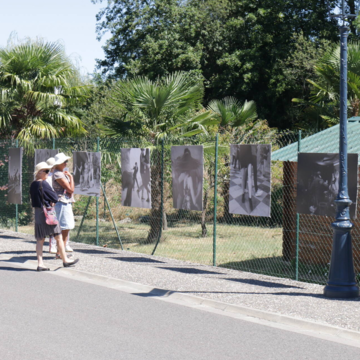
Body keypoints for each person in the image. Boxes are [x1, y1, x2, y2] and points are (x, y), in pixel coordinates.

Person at [29, 162, 78, 271]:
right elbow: (54, 197)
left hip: (38, 213)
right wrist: (51, 201)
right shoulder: (44, 184)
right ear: (39, 172)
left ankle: (40, 263)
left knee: (40, 239)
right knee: (58, 236)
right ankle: (65, 259)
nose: (48, 173)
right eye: (46, 171)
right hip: (48, 213)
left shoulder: (33, 184)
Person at [52, 153, 75, 256]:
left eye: (66, 161)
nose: (66, 163)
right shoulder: (58, 174)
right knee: (64, 227)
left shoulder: (61, 173)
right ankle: (60, 252)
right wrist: (71, 177)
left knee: (66, 227)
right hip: (61, 202)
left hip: (65, 201)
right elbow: (70, 189)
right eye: (64, 162)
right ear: (59, 163)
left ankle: (61, 251)